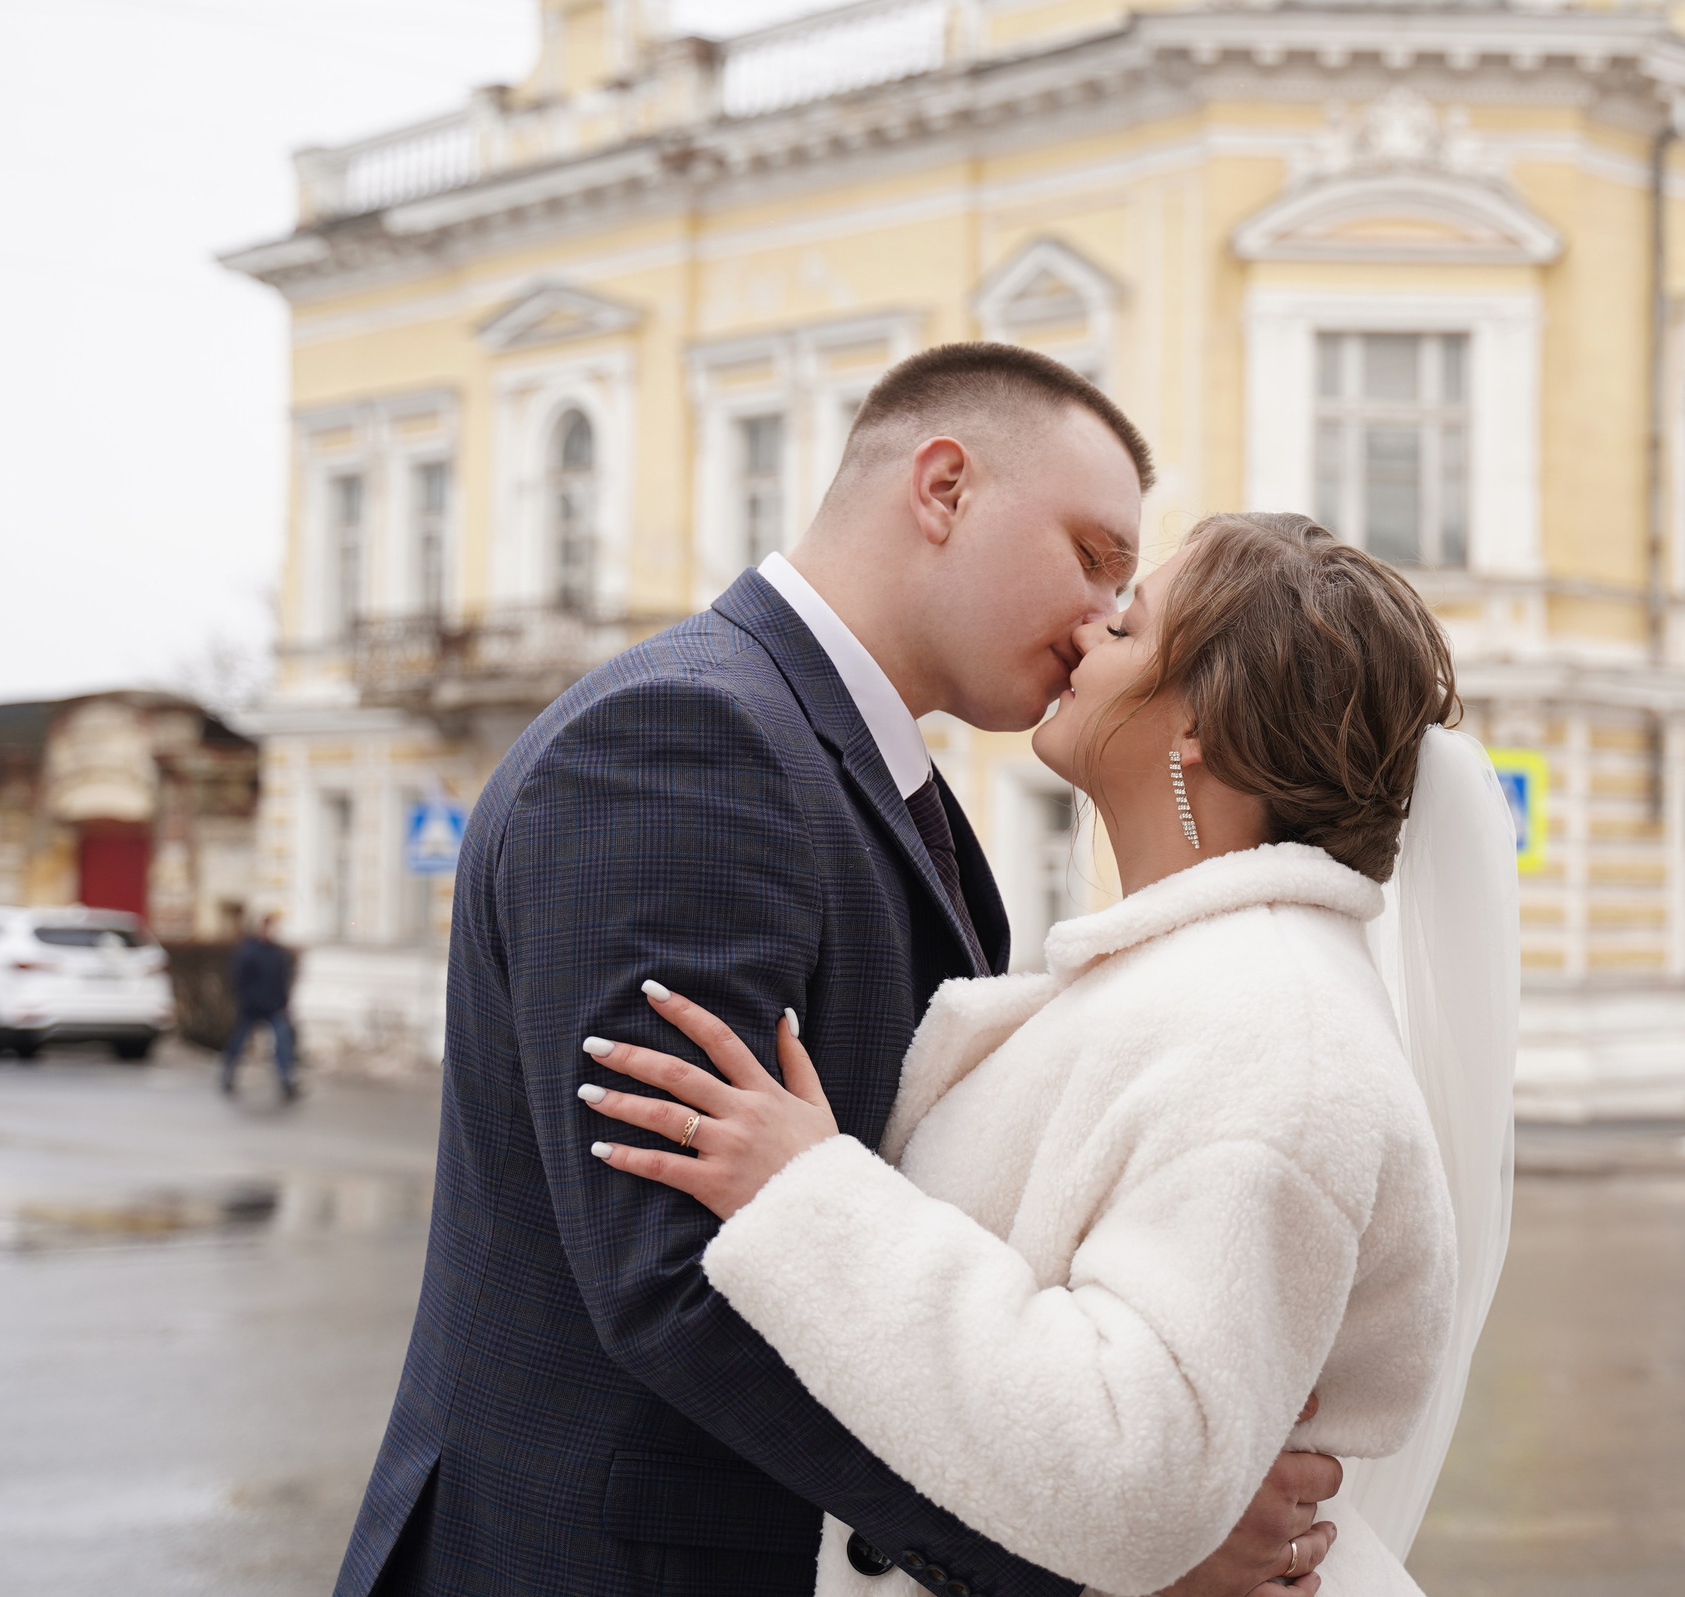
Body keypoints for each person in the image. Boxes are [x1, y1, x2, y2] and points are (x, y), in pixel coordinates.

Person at [336, 346, 1347, 1597]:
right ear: (943, 488)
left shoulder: (872, 780)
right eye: (1092, 557)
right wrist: (1096, 1552)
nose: (1101, 618)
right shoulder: (684, 739)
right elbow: (677, 1271)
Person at [581, 514, 1521, 1596]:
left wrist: (808, 1199)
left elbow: (1134, 1471)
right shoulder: (1218, 985)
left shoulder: (1273, 1028)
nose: (1085, 634)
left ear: (1201, 722)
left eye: (1127, 625)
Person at [223, 911, 299, 1102]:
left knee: (282, 1044)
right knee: (238, 1043)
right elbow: (239, 979)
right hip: (252, 1007)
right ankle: (227, 1076)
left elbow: (283, 981)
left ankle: (286, 1081)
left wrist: (284, 1003)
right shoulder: (249, 952)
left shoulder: (278, 954)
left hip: (274, 1007)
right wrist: (248, 1000)